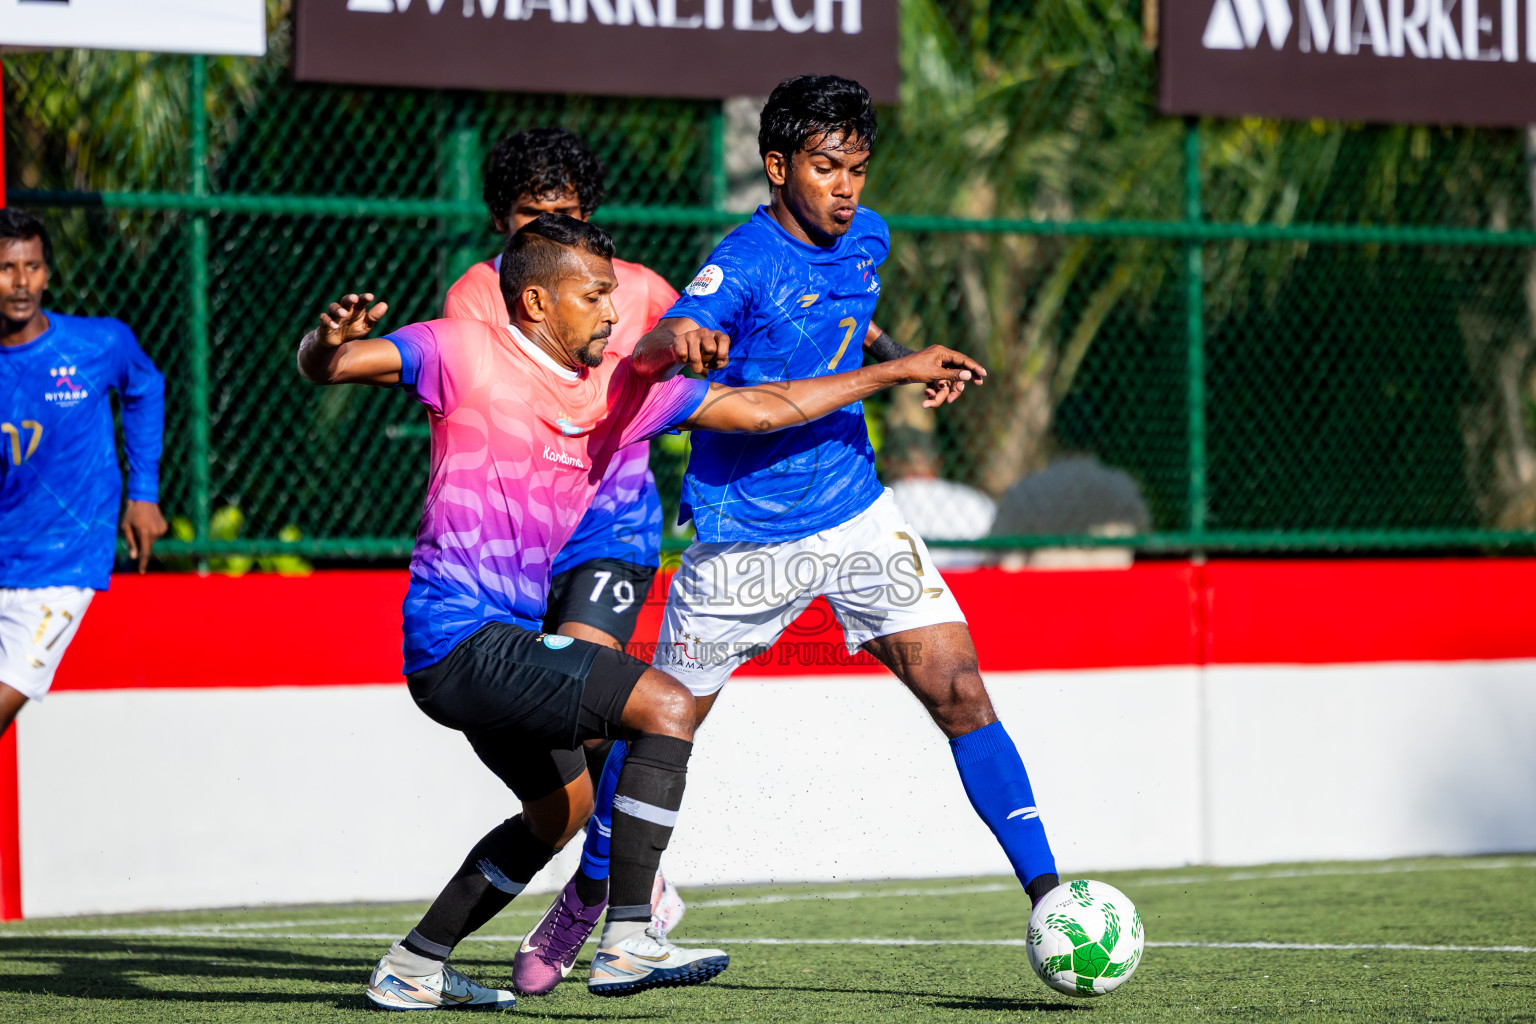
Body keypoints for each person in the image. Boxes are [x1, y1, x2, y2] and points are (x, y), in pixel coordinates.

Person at [295, 213, 983, 1010]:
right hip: (456, 637)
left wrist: (889, 374)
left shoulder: (623, 387)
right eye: (592, 297)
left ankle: (415, 963)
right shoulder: (462, 349)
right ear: (535, 303)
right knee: (666, 704)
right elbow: (331, 366)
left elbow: (762, 409)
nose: (613, 314)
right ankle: (627, 938)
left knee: (562, 811)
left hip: (500, 644)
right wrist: (326, 340)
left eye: (612, 295)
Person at [566, 75, 1062, 945]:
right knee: (663, 727)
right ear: (777, 165)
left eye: (858, 168)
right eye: (827, 166)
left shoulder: (866, 236)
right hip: (743, 536)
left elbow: (851, 314)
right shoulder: (741, 262)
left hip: (857, 509)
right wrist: (672, 341)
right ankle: (589, 899)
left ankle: (1052, 898)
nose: (847, 187)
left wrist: (904, 353)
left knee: (960, 689)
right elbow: (656, 343)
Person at [443, 129, 686, 992]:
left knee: (602, 700)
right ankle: (607, 867)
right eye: (527, 218)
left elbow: (719, 349)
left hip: (610, 526)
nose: (546, 232)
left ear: (589, 219)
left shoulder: (641, 289)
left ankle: (600, 892)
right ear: (498, 223)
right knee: (560, 727)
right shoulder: (476, 297)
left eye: (566, 217)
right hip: (514, 545)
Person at [0, 209, 167, 737]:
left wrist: (143, 493)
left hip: (61, 568)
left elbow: (144, 385)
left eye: (32, 266)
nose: (21, 281)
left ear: (47, 273)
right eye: (6, 268)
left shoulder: (98, 345)